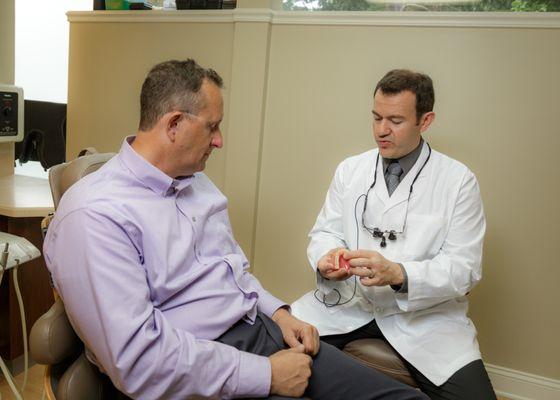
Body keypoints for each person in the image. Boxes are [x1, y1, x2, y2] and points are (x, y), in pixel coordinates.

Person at [43, 60, 427, 400]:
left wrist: (279, 315)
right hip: (193, 367)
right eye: (212, 127)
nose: (219, 140)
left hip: (257, 330)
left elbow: (232, 271)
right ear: (174, 124)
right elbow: (139, 361)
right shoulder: (94, 216)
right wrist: (266, 375)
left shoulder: (195, 179)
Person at [291, 69, 497, 400]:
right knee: (271, 343)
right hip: (350, 303)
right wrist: (327, 259)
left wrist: (399, 274)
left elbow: (465, 268)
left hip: (425, 319)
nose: (381, 131)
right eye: (376, 118)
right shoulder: (350, 169)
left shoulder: (458, 181)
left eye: (395, 121)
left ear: (425, 120)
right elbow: (325, 232)